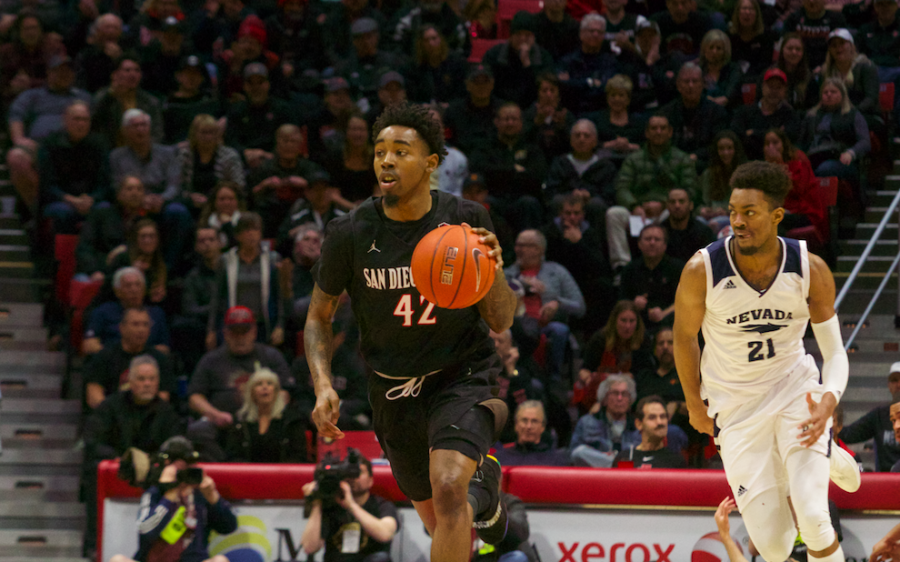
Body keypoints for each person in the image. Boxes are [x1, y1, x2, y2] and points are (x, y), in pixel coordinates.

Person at [306, 102, 518, 561]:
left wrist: (494, 270)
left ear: (430, 163)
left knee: (446, 487)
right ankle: (483, 495)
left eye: (400, 151)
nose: (385, 159)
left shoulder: (465, 220)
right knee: (442, 519)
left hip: (460, 374)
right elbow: (318, 317)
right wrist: (322, 384)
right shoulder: (350, 232)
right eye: (380, 150)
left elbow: (502, 320)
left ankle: (472, 490)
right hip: (392, 391)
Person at [673, 160, 861, 562]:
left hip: (796, 391)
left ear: (777, 215)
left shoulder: (810, 268)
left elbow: (834, 353)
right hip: (736, 408)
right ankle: (829, 458)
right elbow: (684, 338)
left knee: (814, 518)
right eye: (732, 212)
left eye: (749, 213)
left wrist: (829, 397)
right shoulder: (701, 270)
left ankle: (822, 448)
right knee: (774, 547)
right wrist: (693, 404)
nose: (737, 221)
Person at [83, 355, 184, 559]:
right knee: (94, 467)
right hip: (118, 468)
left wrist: (154, 461)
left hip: (155, 472)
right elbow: (92, 440)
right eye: (141, 379)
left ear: (158, 382)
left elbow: (175, 446)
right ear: (130, 380)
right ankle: (95, 543)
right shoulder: (111, 406)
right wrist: (118, 459)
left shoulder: (168, 413)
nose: (147, 384)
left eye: (152, 379)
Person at [188, 305, 293, 460]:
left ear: (254, 332)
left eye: (244, 331)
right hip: (224, 423)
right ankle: (221, 472)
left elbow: (285, 392)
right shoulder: (211, 360)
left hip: (261, 422)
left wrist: (266, 413)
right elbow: (195, 396)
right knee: (197, 430)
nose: (240, 337)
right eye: (234, 332)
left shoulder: (270, 356)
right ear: (225, 333)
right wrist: (215, 415)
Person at [108, 437, 237, 562]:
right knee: (117, 560)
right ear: (166, 466)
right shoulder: (155, 493)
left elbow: (229, 527)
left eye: (189, 467)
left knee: (220, 560)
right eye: (180, 470)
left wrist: (213, 498)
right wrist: (169, 496)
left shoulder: (200, 494)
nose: (183, 475)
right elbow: (146, 531)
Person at [606, 113, 698, 270]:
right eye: (654, 128)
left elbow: (690, 190)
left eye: (663, 128)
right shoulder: (633, 159)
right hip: (638, 213)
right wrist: (635, 206)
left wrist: (664, 204)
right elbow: (622, 187)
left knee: (679, 211)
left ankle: (670, 265)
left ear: (670, 132)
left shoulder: (683, 159)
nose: (658, 131)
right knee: (614, 214)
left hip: (667, 211)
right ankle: (622, 267)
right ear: (647, 133)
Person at [7, 55, 92, 220]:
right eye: (60, 70)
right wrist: (19, 139)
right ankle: (38, 211)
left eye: (69, 70)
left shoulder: (83, 97)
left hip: (74, 148)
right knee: (16, 158)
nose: (65, 74)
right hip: (39, 149)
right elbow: (15, 116)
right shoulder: (32, 95)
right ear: (49, 72)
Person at [109, 108, 192, 270]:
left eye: (144, 125)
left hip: (160, 203)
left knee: (178, 212)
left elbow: (174, 185)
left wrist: (161, 199)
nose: (141, 129)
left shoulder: (168, 153)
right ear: (125, 131)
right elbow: (116, 186)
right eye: (135, 126)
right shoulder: (116, 156)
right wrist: (140, 199)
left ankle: (168, 267)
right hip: (130, 204)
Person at [504, 229, 586, 381]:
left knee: (560, 330)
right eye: (517, 245)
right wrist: (517, 286)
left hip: (546, 326)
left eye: (524, 245)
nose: (518, 250)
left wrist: (557, 302)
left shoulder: (557, 272)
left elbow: (579, 306)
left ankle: (555, 379)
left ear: (539, 249)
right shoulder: (506, 274)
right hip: (517, 327)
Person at [299, 454, 400, 561]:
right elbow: (310, 548)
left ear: (371, 480)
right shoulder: (331, 505)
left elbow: (385, 535)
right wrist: (317, 503)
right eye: (348, 473)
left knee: (381, 558)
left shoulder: (382, 505)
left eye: (358, 472)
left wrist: (351, 505)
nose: (353, 478)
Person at [207, 213, 284, 346]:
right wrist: (211, 330)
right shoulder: (225, 261)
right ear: (237, 235)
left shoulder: (272, 259)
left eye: (255, 230)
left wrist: (280, 326)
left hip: (263, 325)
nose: (251, 234)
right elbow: (217, 297)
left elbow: (280, 296)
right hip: (234, 324)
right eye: (246, 230)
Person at [469, 103, 548, 232]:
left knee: (529, 203)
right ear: (497, 122)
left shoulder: (532, 148)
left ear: (521, 122)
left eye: (514, 119)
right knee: (484, 203)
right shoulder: (484, 147)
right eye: (506, 119)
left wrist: (502, 172)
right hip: (495, 197)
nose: (510, 123)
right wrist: (515, 171)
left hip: (522, 199)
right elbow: (480, 172)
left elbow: (536, 177)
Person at [36, 100, 111, 234]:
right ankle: (62, 254)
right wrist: (72, 200)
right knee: (63, 212)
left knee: (106, 209)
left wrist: (92, 199)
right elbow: (47, 185)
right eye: (76, 119)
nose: (81, 124)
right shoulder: (49, 144)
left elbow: (105, 183)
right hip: (61, 201)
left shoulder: (100, 145)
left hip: (92, 201)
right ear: (65, 120)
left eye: (85, 120)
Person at [797, 77, 870, 216]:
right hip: (813, 157)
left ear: (842, 94)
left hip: (840, 160)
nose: (829, 94)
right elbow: (801, 142)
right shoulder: (811, 116)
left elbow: (865, 142)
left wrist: (851, 153)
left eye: (833, 91)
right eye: (825, 92)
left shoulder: (853, 114)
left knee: (825, 169)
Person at [83, 307, 176, 409]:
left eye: (145, 325)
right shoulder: (104, 356)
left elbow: (163, 397)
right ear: (122, 328)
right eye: (135, 324)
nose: (141, 330)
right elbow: (94, 395)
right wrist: (114, 415)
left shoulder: (159, 359)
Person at [247, 123, 326, 238]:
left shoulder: (310, 168)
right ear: (277, 143)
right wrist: (264, 185)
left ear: (300, 144)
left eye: (293, 141)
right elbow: (249, 196)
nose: (289, 145)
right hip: (270, 217)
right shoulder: (264, 168)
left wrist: (306, 184)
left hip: (302, 218)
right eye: (285, 141)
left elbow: (323, 193)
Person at [576, 300, 653, 415]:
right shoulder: (599, 339)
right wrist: (586, 376)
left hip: (632, 391)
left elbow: (646, 373)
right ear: (614, 320)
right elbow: (586, 368)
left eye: (632, 321)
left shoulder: (643, 340)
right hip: (602, 389)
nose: (628, 326)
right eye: (623, 320)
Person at [223, 364, 308, 462]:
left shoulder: (291, 420)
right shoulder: (240, 420)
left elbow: (298, 456)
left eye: (269, 384)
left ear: (276, 391)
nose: (265, 387)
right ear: (251, 393)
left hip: (283, 474)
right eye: (259, 384)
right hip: (247, 474)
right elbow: (233, 456)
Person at [83, 267, 170, 355]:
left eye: (138, 285)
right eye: (128, 286)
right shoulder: (103, 312)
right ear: (117, 291)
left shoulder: (157, 313)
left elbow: (164, 347)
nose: (134, 290)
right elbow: (89, 344)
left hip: (147, 362)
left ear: (144, 289)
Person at [75, 176, 147, 281]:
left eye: (139, 189)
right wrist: (94, 271)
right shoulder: (100, 214)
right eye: (129, 189)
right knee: (82, 280)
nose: (134, 193)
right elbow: (84, 248)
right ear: (119, 195)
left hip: (130, 273)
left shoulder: (145, 221)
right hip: (98, 269)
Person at [544, 119, 617, 222]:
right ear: (571, 140)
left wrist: (589, 195)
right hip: (565, 203)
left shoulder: (606, 166)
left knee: (597, 204)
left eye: (586, 136)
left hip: (592, 206)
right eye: (577, 135)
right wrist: (570, 195)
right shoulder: (560, 163)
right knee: (557, 202)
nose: (581, 139)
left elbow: (609, 196)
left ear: (595, 141)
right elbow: (551, 191)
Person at [659, 62, 729, 168]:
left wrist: (696, 156)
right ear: (678, 85)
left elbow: (719, 144)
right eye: (686, 81)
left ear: (702, 84)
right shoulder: (665, 113)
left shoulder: (717, 112)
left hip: (706, 165)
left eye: (695, 81)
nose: (690, 85)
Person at [762, 128, 827, 237]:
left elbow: (798, 190)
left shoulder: (799, 158)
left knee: (772, 223)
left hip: (805, 213)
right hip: (784, 212)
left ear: (784, 143)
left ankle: (784, 253)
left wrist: (778, 163)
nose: (771, 147)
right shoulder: (766, 167)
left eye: (775, 143)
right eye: (767, 144)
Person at [619, 224, 685, 330]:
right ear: (639, 244)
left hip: (672, 321)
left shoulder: (678, 268)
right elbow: (621, 301)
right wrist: (633, 304)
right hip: (637, 323)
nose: (652, 243)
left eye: (657, 239)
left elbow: (688, 300)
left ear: (665, 245)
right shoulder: (630, 270)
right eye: (648, 239)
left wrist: (664, 313)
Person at [482, 11, 553, 110]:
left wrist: (527, 64)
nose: (522, 39)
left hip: (532, 109)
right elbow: (488, 86)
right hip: (499, 108)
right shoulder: (494, 55)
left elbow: (542, 90)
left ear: (533, 37)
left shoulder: (544, 57)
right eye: (518, 34)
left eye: (527, 35)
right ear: (511, 36)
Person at [91, 54, 164, 148]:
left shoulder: (150, 101)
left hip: (143, 152)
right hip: (110, 152)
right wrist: (110, 95)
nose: (132, 74)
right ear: (115, 74)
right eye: (127, 70)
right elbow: (94, 125)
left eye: (137, 70)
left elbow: (157, 133)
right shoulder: (104, 97)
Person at [178, 114, 245, 213]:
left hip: (221, 204)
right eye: (204, 133)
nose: (208, 137)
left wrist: (216, 199)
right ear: (194, 134)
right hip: (189, 203)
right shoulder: (183, 155)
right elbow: (175, 185)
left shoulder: (230, 156)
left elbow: (239, 185)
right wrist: (189, 197)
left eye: (212, 133)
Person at [570, 374, 641, 467]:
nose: (620, 398)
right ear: (605, 398)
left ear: (630, 399)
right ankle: (616, 464)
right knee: (579, 451)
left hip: (630, 477)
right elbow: (574, 455)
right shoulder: (586, 422)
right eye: (615, 393)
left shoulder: (638, 426)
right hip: (596, 476)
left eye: (624, 394)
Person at [730, 68, 802, 161]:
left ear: (785, 90)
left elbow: (789, 139)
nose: (774, 91)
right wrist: (774, 134)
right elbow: (736, 136)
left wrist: (753, 133)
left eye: (779, 87)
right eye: (771, 86)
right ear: (763, 87)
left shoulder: (791, 115)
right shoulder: (744, 112)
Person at [839, 362, 900, 472]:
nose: (899, 385)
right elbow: (849, 434)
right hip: (886, 483)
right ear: (889, 385)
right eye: (894, 380)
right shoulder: (879, 416)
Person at [556, 14, 618, 114]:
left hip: (600, 112)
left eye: (600, 32)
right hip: (571, 111)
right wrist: (590, 82)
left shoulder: (610, 62)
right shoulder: (567, 61)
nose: (595, 35)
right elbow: (563, 87)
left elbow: (605, 90)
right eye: (591, 31)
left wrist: (574, 82)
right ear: (581, 34)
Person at [443, 63, 504, 154]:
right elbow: (446, 141)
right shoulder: (453, 111)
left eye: (485, 81)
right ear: (467, 85)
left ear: (492, 84)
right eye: (476, 82)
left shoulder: (503, 110)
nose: (481, 86)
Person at [613, 395, 688, 468]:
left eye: (663, 417)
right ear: (639, 424)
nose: (659, 422)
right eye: (652, 417)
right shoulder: (624, 458)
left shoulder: (676, 462)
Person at [586, 75, 645, 166]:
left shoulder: (639, 121)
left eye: (621, 95)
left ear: (628, 99)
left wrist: (629, 146)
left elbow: (646, 145)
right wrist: (609, 144)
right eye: (613, 95)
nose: (617, 99)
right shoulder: (596, 120)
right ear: (607, 98)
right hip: (601, 166)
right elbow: (587, 144)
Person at [492, 400, 570, 466]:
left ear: (542, 427)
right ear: (516, 425)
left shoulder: (557, 461)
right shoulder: (498, 459)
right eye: (524, 420)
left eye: (534, 421)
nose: (529, 426)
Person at [698, 130, 746, 235]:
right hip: (711, 217)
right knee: (699, 222)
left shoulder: (744, 175)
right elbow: (701, 202)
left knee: (715, 224)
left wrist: (726, 211)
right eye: (721, 149)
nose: (725, 153)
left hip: (735, 218)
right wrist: (703, 210)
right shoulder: (708, 174)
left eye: (729, 148)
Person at [406, 25, 467, 105]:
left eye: (434, 38)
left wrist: (450, 105)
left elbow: (462, 93)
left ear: (441, 39)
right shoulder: (413, 67)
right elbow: (411, 96)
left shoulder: (456, 62)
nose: (431, 43)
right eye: (426, 40)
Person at [522, 73, 576, 161]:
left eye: (552, 90)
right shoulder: (529, 114)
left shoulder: (566, 115)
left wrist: (562, 127)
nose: (548, 94)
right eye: (544, 90)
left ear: (558, 95)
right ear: (538, 94)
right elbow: (521, 140)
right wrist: (536, 123)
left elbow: (574, 145)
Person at [783, 0, 847, 68]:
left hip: (829, 67)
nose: (811, 1)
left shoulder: (836, 19)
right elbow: (784, 47)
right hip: (798, 66)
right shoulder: (793, 19)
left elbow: (843, 48)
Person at [661, 187, 715, 263]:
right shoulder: (659, 233)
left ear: (691, 205)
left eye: (681, 201)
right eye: (672, 202)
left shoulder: (704, 233)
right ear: (667, 206)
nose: (677, 205)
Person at [728, 0, 776, 79]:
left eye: (751, 9)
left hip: (757, 77)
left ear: (757, 14)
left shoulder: (766, 36)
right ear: (737, 13)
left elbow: (765, 64)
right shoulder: (730, 36)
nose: (747, 12)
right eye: (744, 8)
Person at [698, 30, 742, 108]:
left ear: (725, 51)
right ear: (704, 50)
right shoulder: (698, 69)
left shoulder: (734, 70)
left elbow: (728, 97)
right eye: (711, 47)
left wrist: (708, 101)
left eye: (718, 48)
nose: (714, 51)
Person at [775, 32, 819, 112]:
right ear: (782, 50)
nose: (794, 52)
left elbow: (812, 107)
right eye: (790, 48)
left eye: (798, 49)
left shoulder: (809, 77)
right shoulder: (771, 73)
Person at [197, 182, 245, 250]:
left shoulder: (244, 222)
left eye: (231, 199)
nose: (226, 203)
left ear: (237, 201)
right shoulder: (205, 222)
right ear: (214, 202)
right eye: (222, 199)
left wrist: (228, 226)